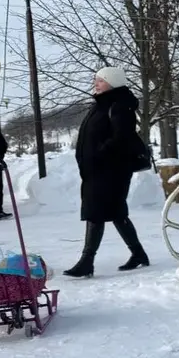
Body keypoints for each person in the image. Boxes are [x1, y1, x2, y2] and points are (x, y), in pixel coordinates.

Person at [64, 67, 150, 278]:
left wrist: (100, 154)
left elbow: (122, 137)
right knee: (117, 213)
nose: (96, 83)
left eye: (101, 80)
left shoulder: (119, 105)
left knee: (96, 212)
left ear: (113, 82)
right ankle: (138, 253)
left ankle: (87, 261)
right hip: (98, 170)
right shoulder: (101, 104)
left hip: (111, 170)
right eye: (96, 79)